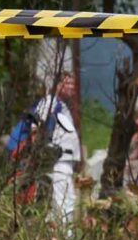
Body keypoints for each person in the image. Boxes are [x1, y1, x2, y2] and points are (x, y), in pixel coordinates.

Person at [7, 64, 82, 221]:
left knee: (64, 201)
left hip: (64, 160)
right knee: (63, 203)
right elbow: (37, 128)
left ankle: (57, 236)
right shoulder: (50, 102)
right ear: (59, 84)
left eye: (73, 84)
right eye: (68, 84)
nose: (72, 88)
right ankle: (63, 239)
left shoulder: (61, 105)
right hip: (58, 160)